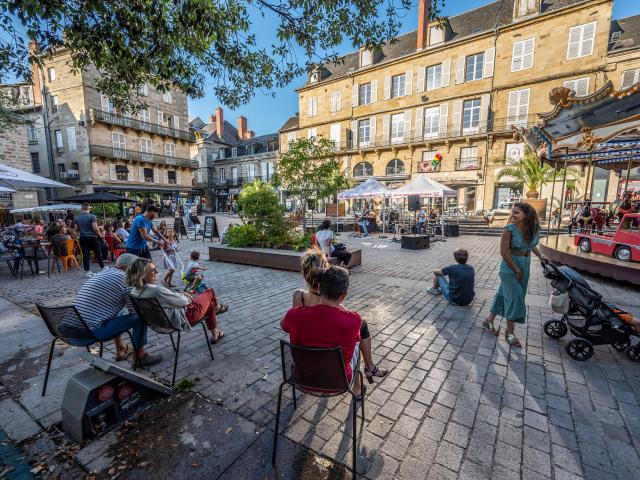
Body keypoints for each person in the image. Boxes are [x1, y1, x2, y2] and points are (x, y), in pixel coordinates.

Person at [292, 248, 388, 384]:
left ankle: (368, 369)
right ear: (326, 273)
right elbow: (349, 319)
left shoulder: (298, 296)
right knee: (359, 330)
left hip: (305, 359)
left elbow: (291, 324)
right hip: (333, 363)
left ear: (304, 274)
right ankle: (365, 374)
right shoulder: (329, 299)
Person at [282, 265, 364, 396]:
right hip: (339, 383)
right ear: (343, 296)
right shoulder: (354, 320)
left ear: (319, 287)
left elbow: (283, 326)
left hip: (301, 379)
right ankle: (357, 389)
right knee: (357, 344)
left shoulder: (294, 314)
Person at [71, 254, 161, 366]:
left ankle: (121, 349)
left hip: (68, 331)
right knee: (142, 317)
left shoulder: (102, 273)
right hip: (88, 333)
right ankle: (140, 356)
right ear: (130, 267)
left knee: (121, 311)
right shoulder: (127, 279)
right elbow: (135, 311)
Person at [483, 203, 548, 347]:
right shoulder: (509, 230)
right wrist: (516, 270)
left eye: (517, 212)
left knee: (503, 294)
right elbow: (504, 252)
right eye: (513, 212)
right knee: (515, 297)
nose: (513, 215)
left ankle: (488, 321)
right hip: (510, 266)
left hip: (525, 263)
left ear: (526, 215)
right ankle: (510, 332)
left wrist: (541, 256)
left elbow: (530, 245)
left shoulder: (533, 228)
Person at [126, 258, 228, 344]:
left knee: (208, 304)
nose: (157, 272)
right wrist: (186, 295)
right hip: (183, 318)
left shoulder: (134, 291)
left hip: (159, 323)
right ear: (142, 274)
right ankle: (217, 308)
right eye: (153, 270)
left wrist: (179, 294)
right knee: (209, 293)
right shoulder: (155, 290)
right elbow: (183, 302)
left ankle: (215, 334)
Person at [75, 203, 105, 277]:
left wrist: (77, 237)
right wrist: (100, 235)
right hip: (92, 237)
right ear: (89, 209)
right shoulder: (92, 216)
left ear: (81, 209)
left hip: (82, 237)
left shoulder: (77, 218)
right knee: (98, 253)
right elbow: (95, 228)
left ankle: (87, 271)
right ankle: (103, 268)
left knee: (85, 255)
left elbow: (76, 230)